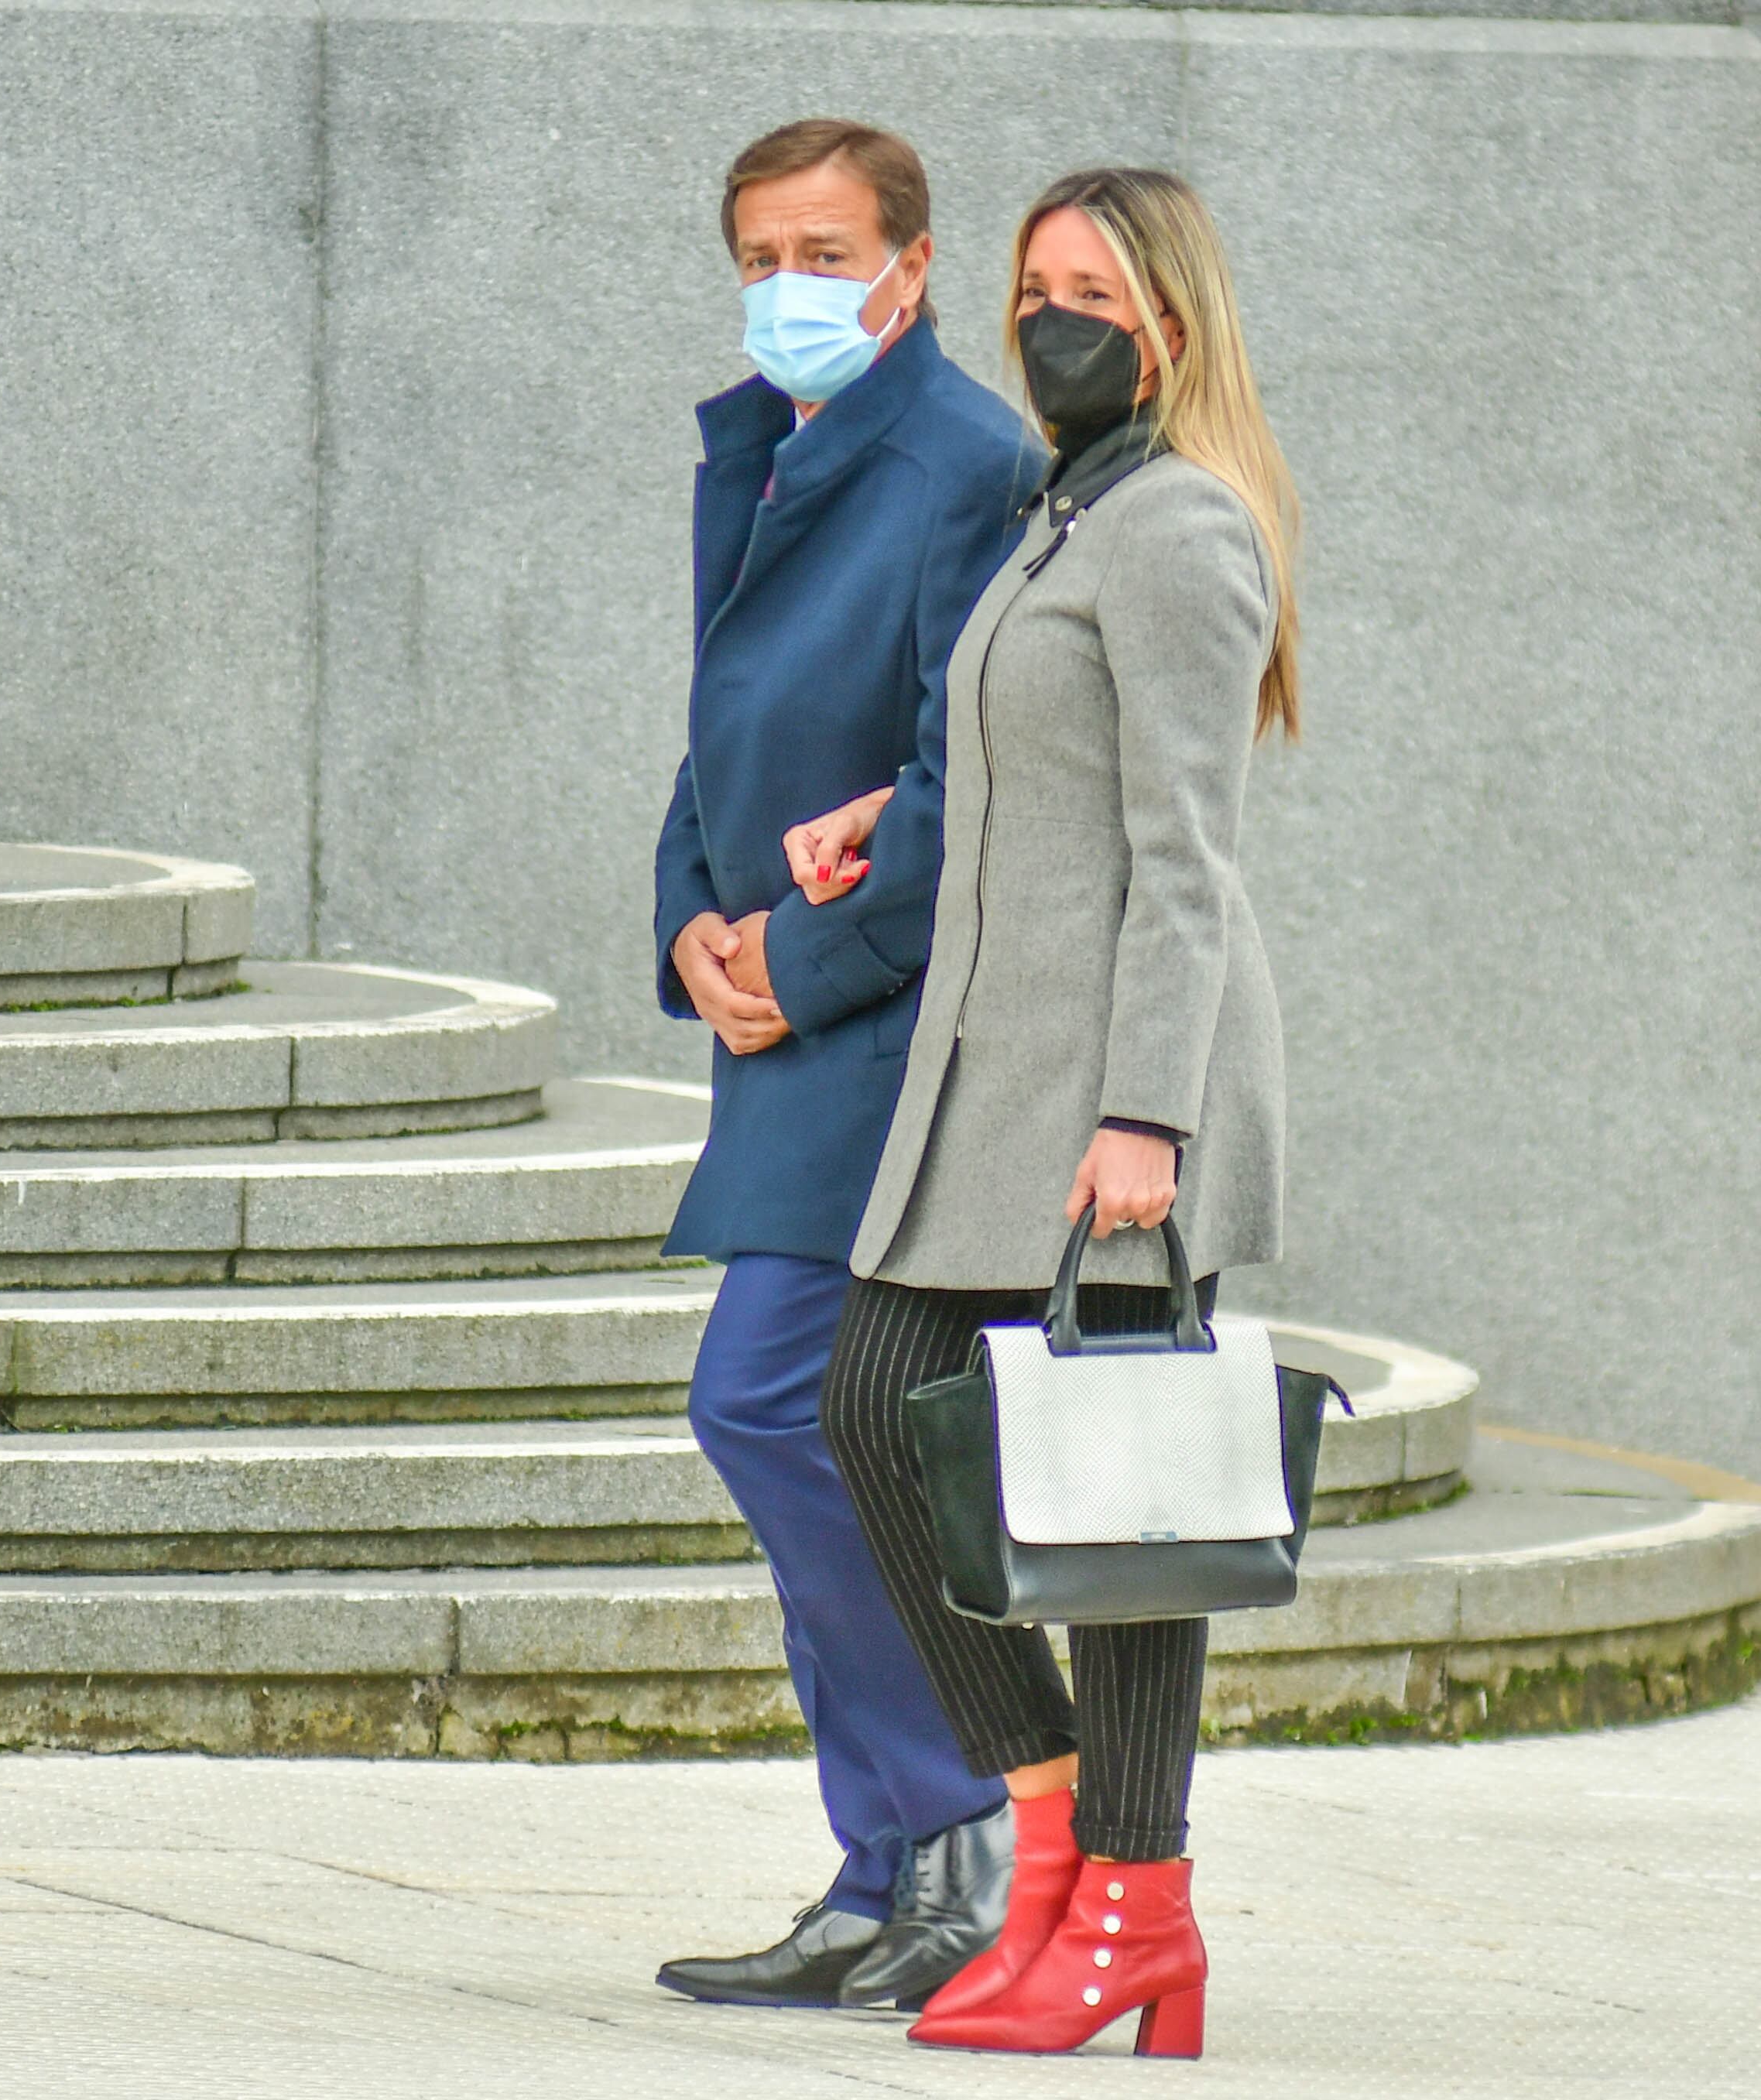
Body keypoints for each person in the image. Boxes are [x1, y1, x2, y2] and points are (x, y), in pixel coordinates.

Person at [792, 165, 1303, 2057]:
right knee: (872, 1413)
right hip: (991, 1080)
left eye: (1091, 286)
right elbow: (1019, 772)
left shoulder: (1181, 529)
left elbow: (1189, 860)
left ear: (1171, 318)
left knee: (1131, 1509)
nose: (1052, 315)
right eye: (1032, 284)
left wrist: (1149, 1122)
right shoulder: (1061, 510)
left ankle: (1137, 1910)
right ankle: (1059, 1851)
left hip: (1111, 1096)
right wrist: (890, 825)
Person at [648, 118, 1044, 2013]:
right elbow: (714, 736)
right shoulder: (775, 448)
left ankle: (962, 1817)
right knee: (806, 1430)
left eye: (825, 249)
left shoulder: (963, 465)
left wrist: (797, 962)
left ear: (912, 261)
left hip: (886, 1032)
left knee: (778, 1406)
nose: (789, 285)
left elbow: (969, 779)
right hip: (783, 1018)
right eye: (759, 253)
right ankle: (884, 1863)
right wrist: (688, 930)